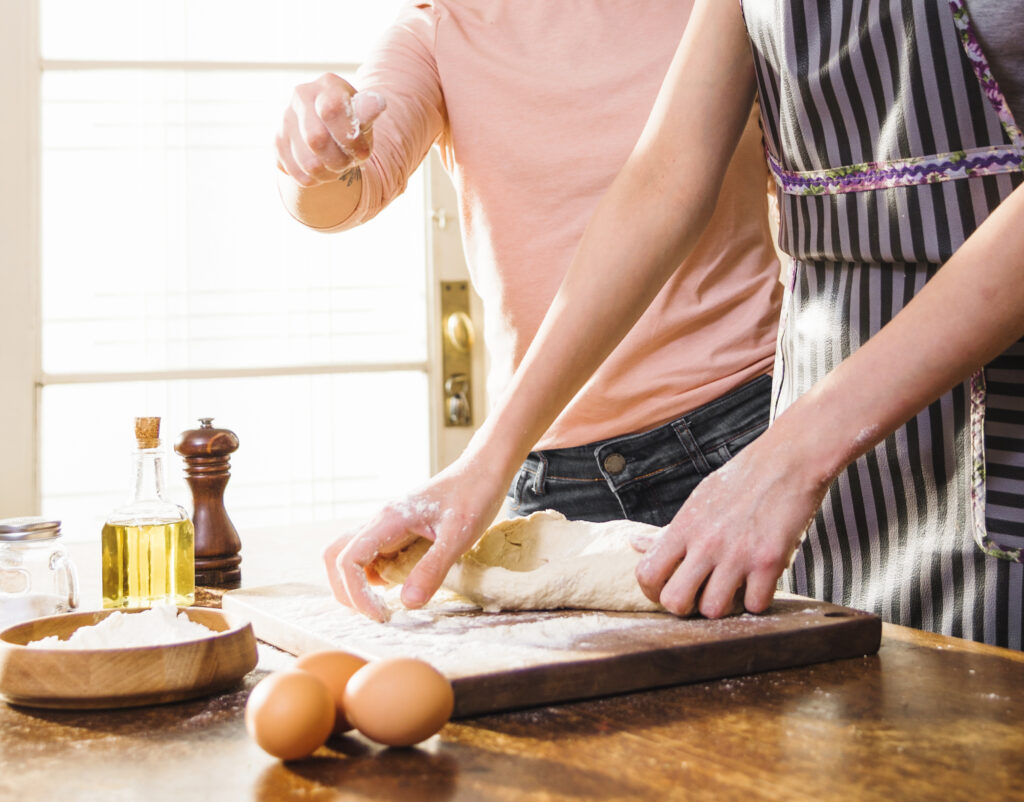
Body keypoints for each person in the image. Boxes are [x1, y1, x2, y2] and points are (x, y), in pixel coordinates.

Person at [326, 0, 1024, 651]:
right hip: (827, 458)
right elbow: (665, 180)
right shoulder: (441, 29)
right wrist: (486, 461)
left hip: (962, 443)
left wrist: (793, 455)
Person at [275, 1, 783, 534]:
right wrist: (310, 162)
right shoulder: (439, 29)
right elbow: (354, 186)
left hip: (739, 435)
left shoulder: (720, 12)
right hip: (548, 478)